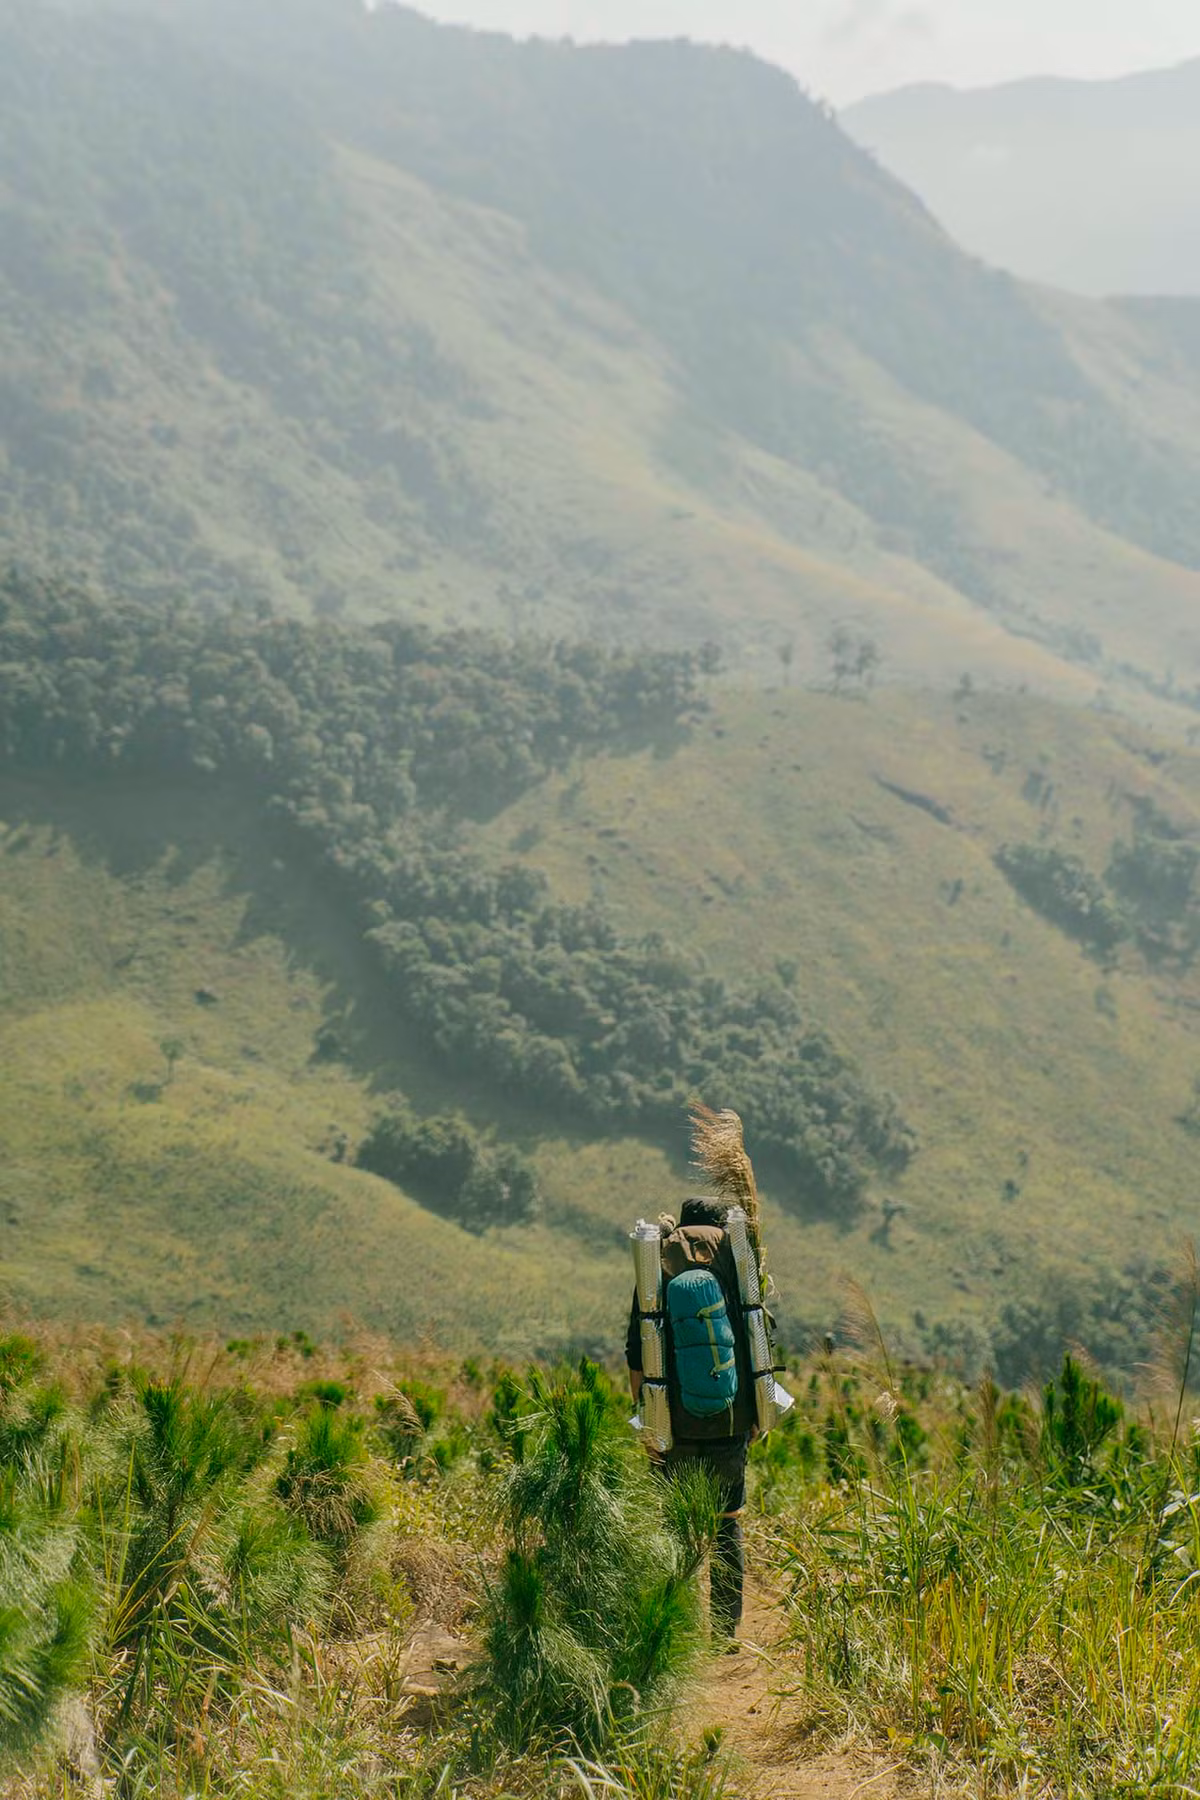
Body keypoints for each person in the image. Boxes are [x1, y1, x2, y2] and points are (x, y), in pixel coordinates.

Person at [625, 1197, 755, 1644]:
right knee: (726, 1525)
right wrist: (758, 1415)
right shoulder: (739, 1265)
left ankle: (673, 1629)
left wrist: (648, 1420)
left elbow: (636, 1351)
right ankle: (723, 1632)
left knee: (671, 1526)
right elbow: (760, 1344)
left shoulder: (656, 1262)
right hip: (731, 1420)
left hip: (672, 1423)